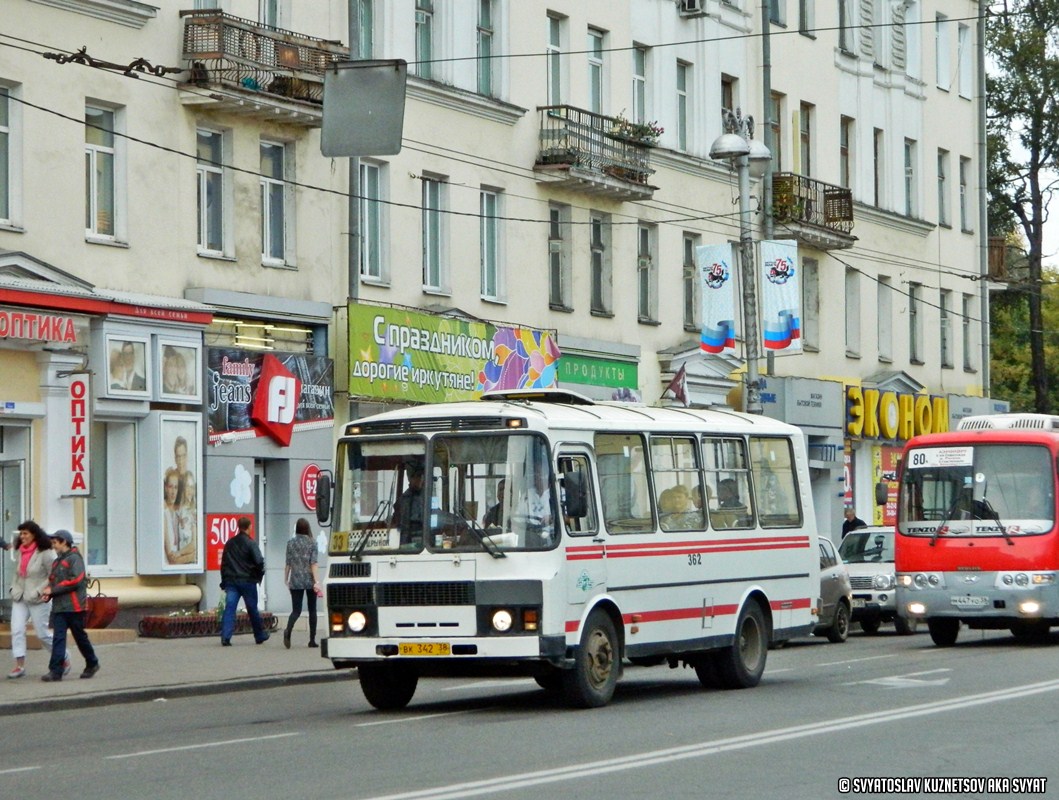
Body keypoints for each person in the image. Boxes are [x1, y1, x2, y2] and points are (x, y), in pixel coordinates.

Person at [7, 521, 67, 679]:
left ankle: (63, 657)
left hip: (38, 598)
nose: (22, 536)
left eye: (25, 533)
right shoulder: (21, 551)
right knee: (17, 630)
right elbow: (17, 573)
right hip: (20, 596)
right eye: (21, 534)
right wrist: (13, 588)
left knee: (42, 634)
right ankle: (19, 666)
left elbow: (53, 575)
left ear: (34, 534)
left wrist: (39, 591)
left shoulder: (46, 552)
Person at [40, 529, 100, 682]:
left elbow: (76, 580)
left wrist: (52, 590)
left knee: (79, 637)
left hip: (75, 607)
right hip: (60, 607)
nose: (53, 546)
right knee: (58, 638)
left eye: (55, 543)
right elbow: (53, 581)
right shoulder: (57, 561)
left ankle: (92, 662)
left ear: (64, 542)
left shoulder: (75, 559)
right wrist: (48, 594)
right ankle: (55, 671)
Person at [219, 516, 270, 646]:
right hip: (248, 581)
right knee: (252, 608)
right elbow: (259, 561)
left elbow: (224, 564)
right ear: (249, 527)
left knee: (230, 608)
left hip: (232, 581)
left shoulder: (230, 543)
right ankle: (259, 635)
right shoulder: (251, 543)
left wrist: (224, 581)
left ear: (238, 527)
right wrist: (258, 576)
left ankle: (226, 637)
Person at [283, 518, 320, 649]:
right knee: (312, 610)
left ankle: (288, 630)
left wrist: (286, 579)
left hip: (295, 579)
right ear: (308, 528)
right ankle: (312, 640)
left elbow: (288, 563)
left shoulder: (290, 543)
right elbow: (313, 564)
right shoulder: (312, 543)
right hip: (310, 580)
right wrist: (317, 582)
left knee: (296, 610)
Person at [163, 467, 195, 564]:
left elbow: (194, 544)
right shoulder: (164, 512)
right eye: (170, 487)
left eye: (176, 487)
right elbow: (171, 558)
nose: (173, 492)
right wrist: (192, 556)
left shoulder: (179, 512)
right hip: (168, 567)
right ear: (165, 488)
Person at [393, 465, 425, 544]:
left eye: (420, 477)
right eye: (416, 477)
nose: (419, 479)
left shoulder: (426, 496)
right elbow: (398, 521)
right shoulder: (404, 499)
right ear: (410, 479)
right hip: (407, 538)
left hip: (425, 536)